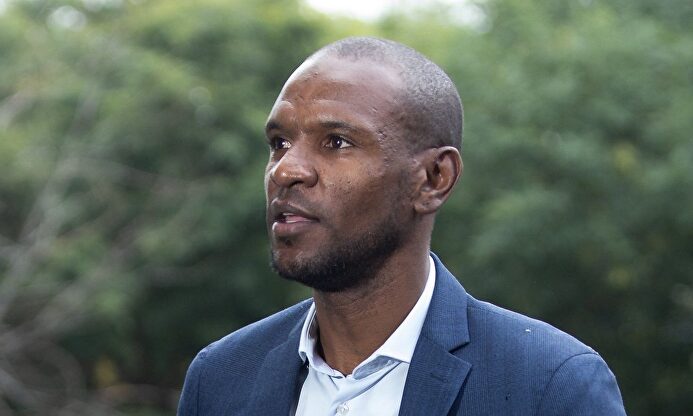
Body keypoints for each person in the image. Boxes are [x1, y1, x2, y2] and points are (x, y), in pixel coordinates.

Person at [178, 37, 626, 416]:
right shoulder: (220, 379)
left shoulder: (548, 386)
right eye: (279, 142)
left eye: (336, 142)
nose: (285, 170)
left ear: (433, 179)